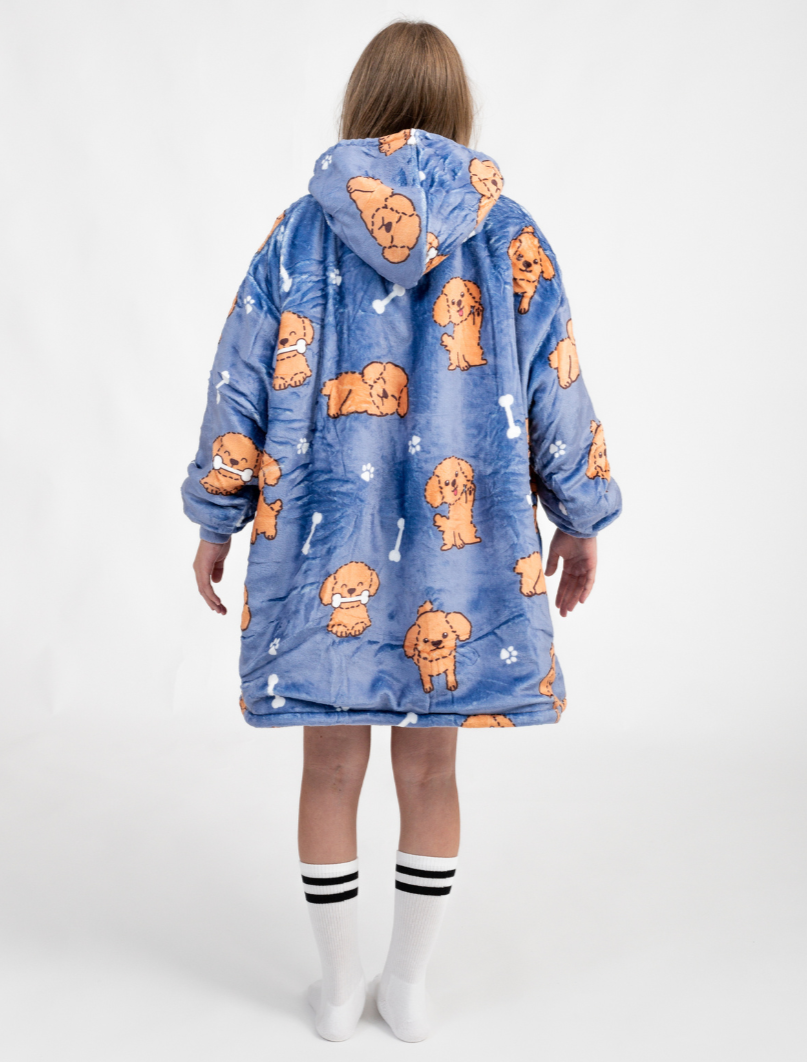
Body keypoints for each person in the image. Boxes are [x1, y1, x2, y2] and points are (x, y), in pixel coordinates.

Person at [181, 19, 621, 1043]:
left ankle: (338, 990)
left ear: (360, 104)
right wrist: (581, 515)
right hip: (458, 566)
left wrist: (217, 514)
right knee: (431, 771)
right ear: (460, 111)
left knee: (330, 768)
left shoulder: (298, 233)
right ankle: (408, 987)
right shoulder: (510, 236)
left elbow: (239, 382)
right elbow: (556, 386)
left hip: (320, 541)